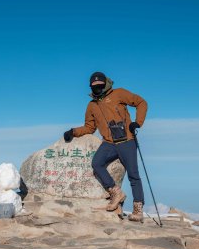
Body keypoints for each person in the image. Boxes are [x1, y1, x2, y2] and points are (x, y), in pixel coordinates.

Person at [63, 72, 148, 222]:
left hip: (127, 141)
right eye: (94, 86)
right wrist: (73, 132)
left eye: (100, 85)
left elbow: (141, 102)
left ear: (106, 83)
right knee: (96, 163)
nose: (98, 88)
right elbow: (89, 127)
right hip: (109, 143)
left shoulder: (119, 93)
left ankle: (138, 208)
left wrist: (137, 122)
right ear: (91, 87)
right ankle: (115, 192)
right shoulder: (92, 105)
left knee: (134, 175)